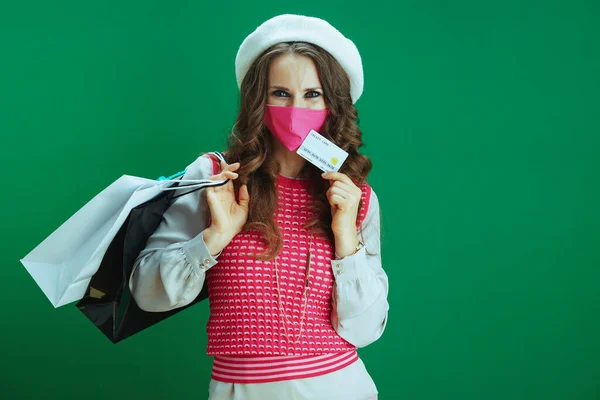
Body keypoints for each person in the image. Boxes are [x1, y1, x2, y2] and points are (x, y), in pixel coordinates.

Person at [129, 14, 389, 400]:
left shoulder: (355, 195)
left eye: (312, 94)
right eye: (280, 93)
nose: (296, 107)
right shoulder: (217, 176)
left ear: (333, 104)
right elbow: (148, 294)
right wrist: (214, 237)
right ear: (258, 99)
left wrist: (346, 237)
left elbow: (364, 330)